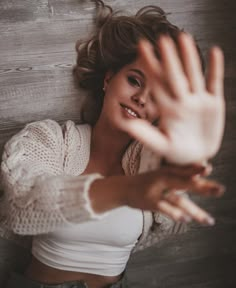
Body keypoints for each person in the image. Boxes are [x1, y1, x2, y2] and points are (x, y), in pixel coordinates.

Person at [0, 1, 225, 288]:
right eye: (134, 80)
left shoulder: (155, 161)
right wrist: (126, 191)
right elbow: (22, 208)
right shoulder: (49, 139)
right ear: (108, 79)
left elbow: (174, 216)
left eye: (158, 97)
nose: (142, 98)